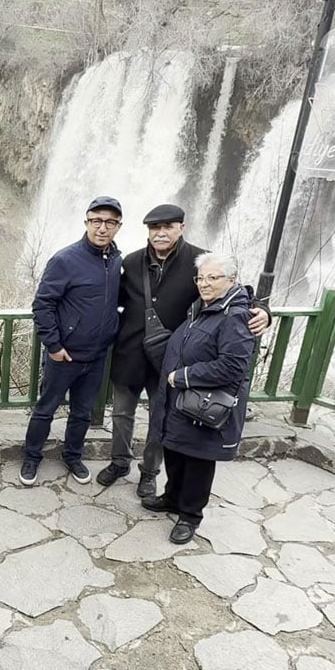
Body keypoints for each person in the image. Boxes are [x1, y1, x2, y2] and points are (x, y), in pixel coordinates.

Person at [97, 204, 269, 499]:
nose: (160, 233)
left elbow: (233, 291)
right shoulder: (133, 260)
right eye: (154, 228)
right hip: (129, 353)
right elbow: (112, 296)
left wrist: (264, 310)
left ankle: (149, 472)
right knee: (122, 413)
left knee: (159, 417)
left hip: (171, 360)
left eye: (168, 227)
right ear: (148, 231)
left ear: (181, 228)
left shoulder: (198, 262)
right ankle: (119, 461)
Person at [145, 252, 256, 544]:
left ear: (231, 281)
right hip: (182, 402)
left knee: (198, 460)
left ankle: (190, 515)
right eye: (201, 278)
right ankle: (172, 497)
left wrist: (182, 376)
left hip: (201, 403)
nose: (204, 284)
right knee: (176, 450)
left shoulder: (235, 316)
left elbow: (233, 366)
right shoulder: (202, 307)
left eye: (213, 278)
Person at [21, 196, 124, 486]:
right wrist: (53, 346)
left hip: (98, 355)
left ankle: (73, 456)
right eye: (96, 221)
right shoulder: (65, 260)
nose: (102, 228)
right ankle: (31, 458)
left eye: (110, 222)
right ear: (87, 223)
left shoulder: (115, 260)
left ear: (118, 226)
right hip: (64, 355)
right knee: (46, 409)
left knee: (82, 413)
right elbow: (43, 305)